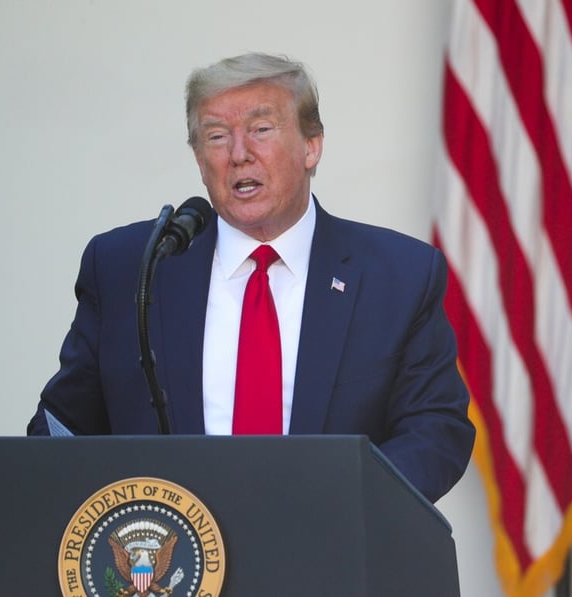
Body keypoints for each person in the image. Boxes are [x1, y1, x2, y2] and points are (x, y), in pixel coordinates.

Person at [27, 53, 475, 503]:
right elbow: (62, 427)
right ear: (199, 160)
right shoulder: (131, 267)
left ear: (311, 146)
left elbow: (435, 428)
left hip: (331, 540)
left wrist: (350, 506)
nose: (239, 154)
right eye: (217, 136)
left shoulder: (397, 276)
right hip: (171, 544)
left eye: (261, 129)